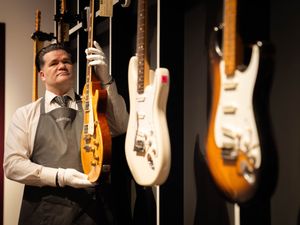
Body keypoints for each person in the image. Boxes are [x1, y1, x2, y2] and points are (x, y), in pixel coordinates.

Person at [3, 41, 129, 225]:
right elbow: (13, 166)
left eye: (67, 61)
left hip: (93, 212)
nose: (62, 65)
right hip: (45, 214)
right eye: (54, 63)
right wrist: (61, 177)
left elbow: (121, 126)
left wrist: (107, 79)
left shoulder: (93, 104)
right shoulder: (26, 114)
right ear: (42, 75)